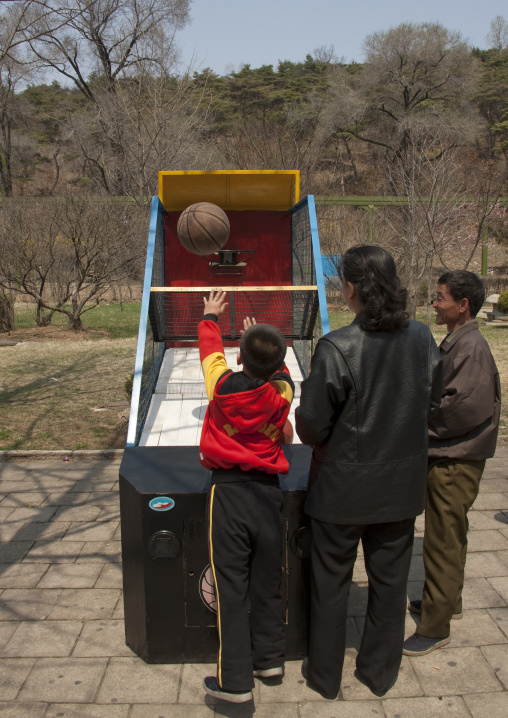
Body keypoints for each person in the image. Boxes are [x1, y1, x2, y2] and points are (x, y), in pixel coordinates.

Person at [295, 245, 442, 700]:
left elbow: (312, 426)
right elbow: (431, 402)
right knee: (391, 583)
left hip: (341, 491)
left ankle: (324, 675)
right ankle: (379, 672)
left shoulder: (338, 346)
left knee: (330, 584)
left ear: (352, 288)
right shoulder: (422, 338)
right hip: (400, 487)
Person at [198, 289, 295, 703]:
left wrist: (211, 318)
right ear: (277, 366)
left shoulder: (220, 389)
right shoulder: (282, 396)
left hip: (229, 494)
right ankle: (270, 661)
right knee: (267, 580)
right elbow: (282, 376)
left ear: (239, 358)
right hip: (269, 496)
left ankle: (235, 683)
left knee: (230, 587)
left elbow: (209, 355)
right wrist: (264, 345)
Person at [403, 270, 501, 657]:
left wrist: (415, 422)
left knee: (442, 543)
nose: (435, 304)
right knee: (449, 537)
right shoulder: (459, 341)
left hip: (456, 461)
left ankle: (435, 627)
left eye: (441, 297)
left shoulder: (471, 348)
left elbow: (460, 409)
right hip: (451, 457)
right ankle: (444, 602)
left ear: (462, 306)